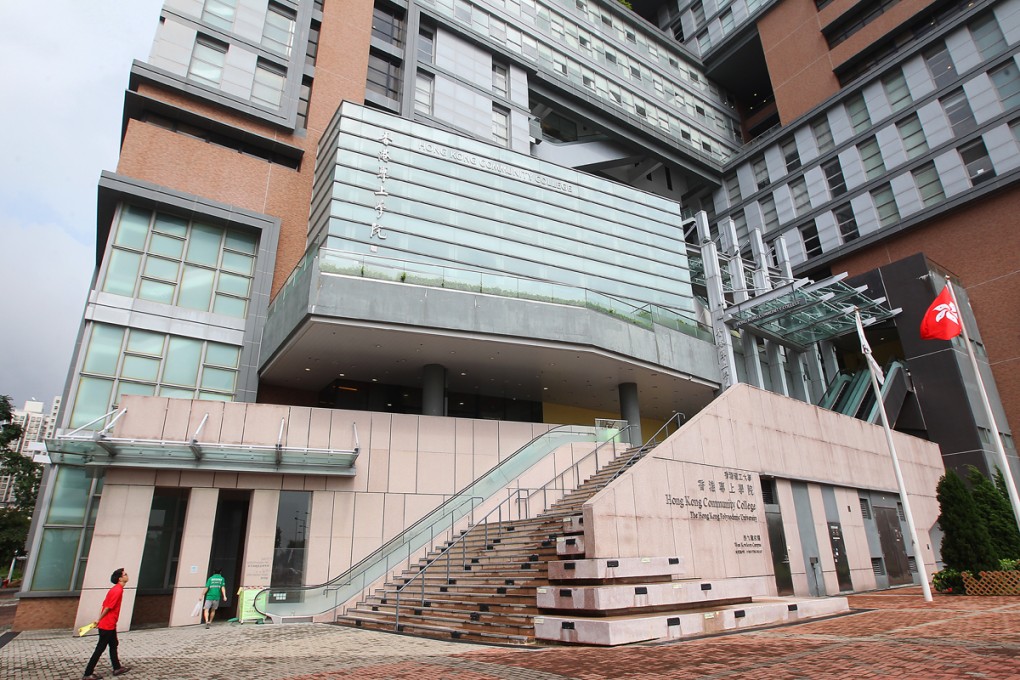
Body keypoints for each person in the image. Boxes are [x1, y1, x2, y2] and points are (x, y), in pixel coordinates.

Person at [82, 567, 132, 679]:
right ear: (120, 578)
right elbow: (108, 607)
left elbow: (105, 605)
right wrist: (99, 620)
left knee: (113, 644)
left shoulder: (116, 589)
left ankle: (117, 668)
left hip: (110, 624)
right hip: (107, 625)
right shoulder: (117, 590)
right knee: (100, 648)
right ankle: (88, 673)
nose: (127, 575)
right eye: (125, 574)